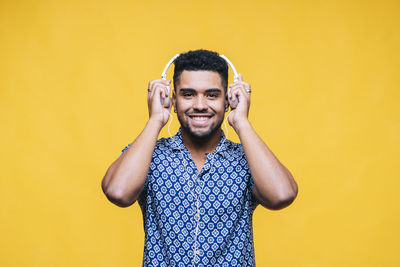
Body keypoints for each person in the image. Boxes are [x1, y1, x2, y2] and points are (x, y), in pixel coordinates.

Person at [101, 49, 298, 266]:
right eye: (188, 94)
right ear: (172, 100)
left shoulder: (248, 160)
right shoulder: (149, 155)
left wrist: (241, 122)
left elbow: (282, 195)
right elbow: (117, 192)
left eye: (212, 95)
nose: (200, 105)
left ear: (228, 100)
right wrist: (155, 120)